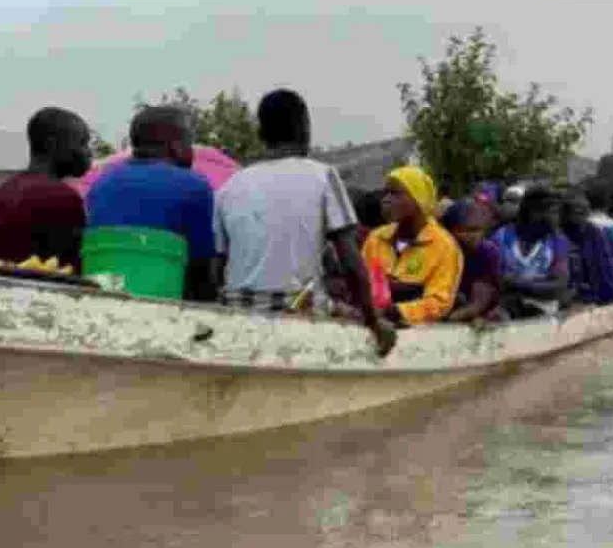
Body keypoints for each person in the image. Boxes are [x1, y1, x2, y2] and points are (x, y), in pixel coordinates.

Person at [214, 89, 395, 355]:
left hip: (237, 312)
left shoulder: (229, 186)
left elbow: (217, 268)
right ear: (306, 129)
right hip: (297, 311)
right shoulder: (324, 176)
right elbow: (351, 262)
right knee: (329, 304)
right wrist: (373, 320)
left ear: (260, 134)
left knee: (331, 303)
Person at [85, 106, 217, 301]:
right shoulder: (193, 186)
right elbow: (201, 267)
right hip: (163, 298)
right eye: (189, 142)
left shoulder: (101, 182)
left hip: (104, 294)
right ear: (175, 145)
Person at [0, 107, 91, 272]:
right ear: (53, 144)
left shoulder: (4, 190)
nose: (88, 152)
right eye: (82, 144)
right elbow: (75, 266)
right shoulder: (63, 197)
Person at [361, 166, 462, 326]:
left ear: (418, 198)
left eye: (395, 193)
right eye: (385, 193)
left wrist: (395, 312)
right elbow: (361, 285)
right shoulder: (376, 239)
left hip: (420, 334)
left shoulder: (444, 246)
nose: (386, 200)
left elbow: (439, 303)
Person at [492, 185, 570, 319]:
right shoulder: (502, 236)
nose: (556, 218)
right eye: (552, 212)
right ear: (532, 211)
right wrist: (538, 283)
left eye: (557, 213)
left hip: (544, 309)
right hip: (504, 308)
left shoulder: (558, 241)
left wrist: (518, 283)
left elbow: (558, 286)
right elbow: (496, 279)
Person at [561, 190, 613, 306]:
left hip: (595, 290)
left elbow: (607, 262)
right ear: (566, 214)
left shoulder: (594, 231)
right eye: (577, 213)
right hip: (572, 291)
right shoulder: (561, 234)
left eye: (585, 212)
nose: (581, 217)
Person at [440, 199, 501, 323]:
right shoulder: (440, 250)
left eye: (476, 230)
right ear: (449, 231)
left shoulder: (487, 252)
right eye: (463, 230)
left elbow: (478, 304)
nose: (472, 236)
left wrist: (445, 321)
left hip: (476, 315)